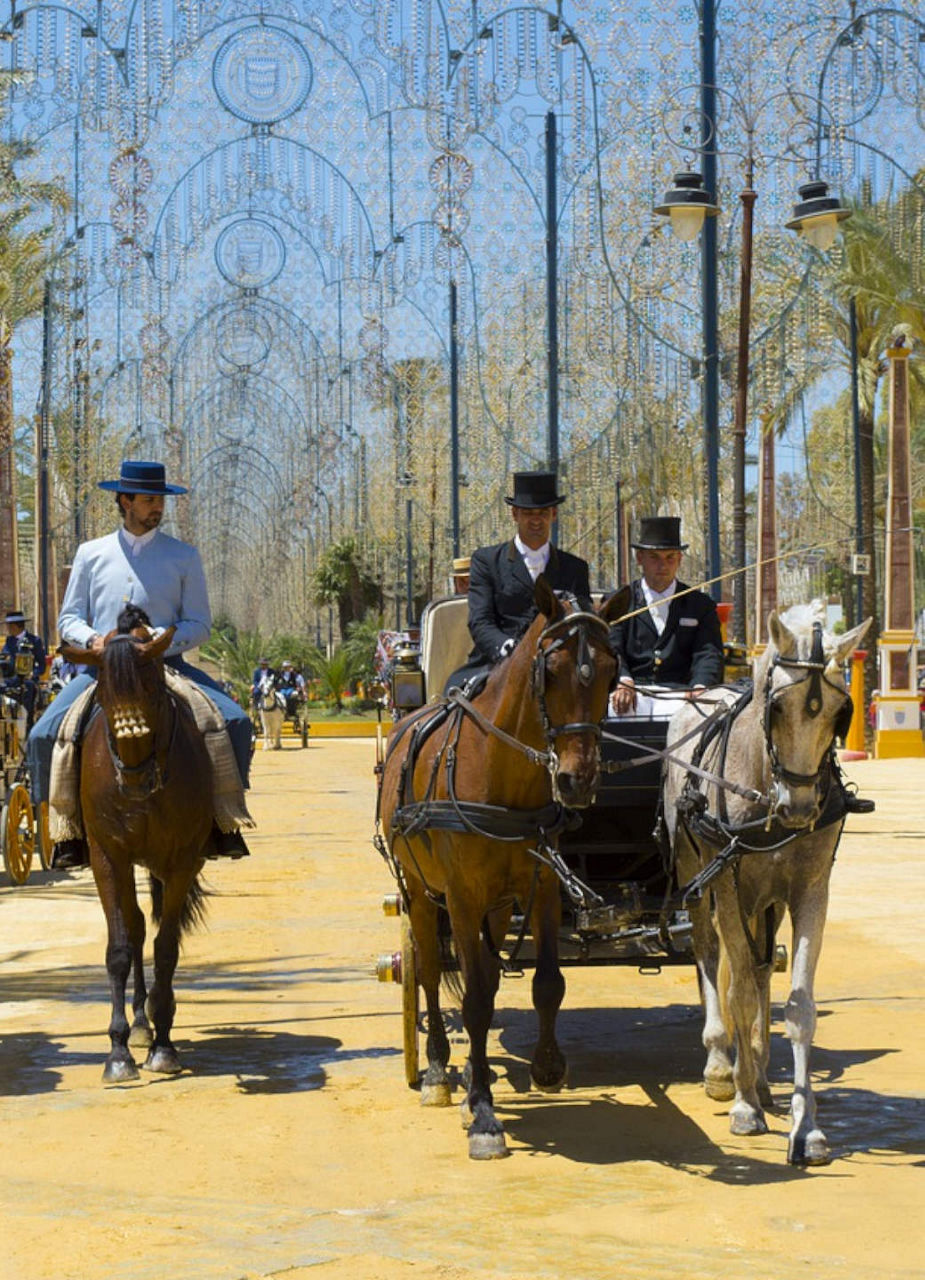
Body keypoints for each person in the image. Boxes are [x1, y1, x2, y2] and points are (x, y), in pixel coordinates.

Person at [27, 459, 253, 867]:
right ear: (125, 500)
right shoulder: (90, 554)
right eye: (149, 500)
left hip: (168, 665)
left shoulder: (183, 556)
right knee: (44, 734)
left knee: (235, 721)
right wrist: (94, 640)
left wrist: (159, 642)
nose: (157, 509)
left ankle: (222, 824)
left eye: (160, 501)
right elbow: (69, 618)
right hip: (104, 670)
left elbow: (200, 623)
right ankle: (67, 834)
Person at [445, 471, 591, 692]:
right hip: (496, 664)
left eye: (542, 513)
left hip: (558, 669)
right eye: (527, 513)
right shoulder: (487, 561)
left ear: (554, 514)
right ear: (515, 514)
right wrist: (508, 649)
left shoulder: (575, 569)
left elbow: (582, 623)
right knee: (454, 704)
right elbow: (480, 621)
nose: (535, 520)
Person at [607, 515, 724, 717]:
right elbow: (611, 648)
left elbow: (708, 652)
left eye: (670, 557)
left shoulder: (699, 605)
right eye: (654, 557)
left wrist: (700, 686)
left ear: (679, 559)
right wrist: (623, 679)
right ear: (640, 558)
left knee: (692, 719)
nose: (663, 566)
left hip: (679, 693)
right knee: (617, 712)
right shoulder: (620, 602)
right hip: (632, 690)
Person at [2, 609, 47, 730]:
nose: (7, 628)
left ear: (16, 626)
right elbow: (6, 660)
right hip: (11, 679)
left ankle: (27, 723)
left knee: (27, 688)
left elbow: (42, 665)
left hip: (28, 681)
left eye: (9, 626)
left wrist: (33, 674)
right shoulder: (9, 641)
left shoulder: (35, 641)